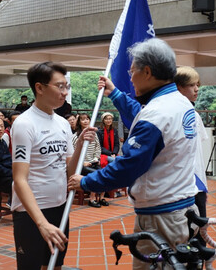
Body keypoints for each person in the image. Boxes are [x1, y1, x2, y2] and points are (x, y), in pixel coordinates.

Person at [69, 38, 198, 270]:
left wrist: (86, 182)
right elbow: (145, 115)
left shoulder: (157, 114)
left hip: (162, 217)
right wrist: (115, 94)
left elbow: (128, 167)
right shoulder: (180, 102)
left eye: (132, 71)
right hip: (183, 208)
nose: (130, 77)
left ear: (147, 71)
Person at [11, 62, 96, 270]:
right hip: (32, 214)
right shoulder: (24, 124)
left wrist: (80, 145)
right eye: (59, 86)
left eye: (66, 86)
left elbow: (69, 170)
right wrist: (42, 224)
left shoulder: (62, 124)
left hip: (60, 207)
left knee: (55, 265)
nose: (65, 92)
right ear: (39, 88)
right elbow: (19, 179)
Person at [173, 66, 209, 220]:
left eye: (197, 85)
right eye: (191, 85)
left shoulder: (194, 115)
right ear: (178, 87)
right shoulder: (172, 114)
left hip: (198, 180)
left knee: (200, 225)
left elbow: (199, 145)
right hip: (181, 181)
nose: (196, 89)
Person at [72, 113, 105, 208]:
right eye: (83, 119)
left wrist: (95, 159)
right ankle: (92, 198)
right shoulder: (76, 136)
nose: (85, 121)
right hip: (81, 165)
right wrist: (83, 162)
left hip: (93, 162)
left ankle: (102, 197)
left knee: (104, 172)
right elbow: (73, 153)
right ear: (79, 122)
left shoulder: (93, 134)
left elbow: (98, 148)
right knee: (96, 174)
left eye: (87, 119)